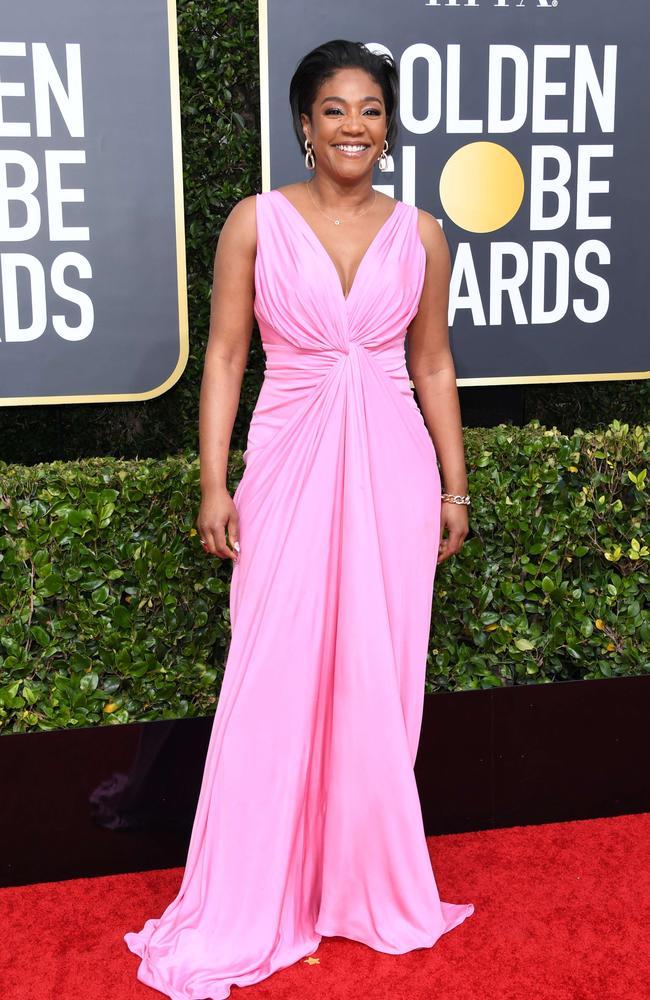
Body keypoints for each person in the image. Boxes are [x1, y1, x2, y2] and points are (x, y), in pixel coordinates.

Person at [124, 38, 474, 999]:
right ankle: (255, 891)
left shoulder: (424, 234)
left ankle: (357, 887)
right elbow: (228, 357)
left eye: (369, 109)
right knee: (270, 677)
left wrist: (454, 487)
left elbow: (433, 363)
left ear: (389, 127)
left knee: (377, 677)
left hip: (394, 475)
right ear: (304, 126)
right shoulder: (255, 222)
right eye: (333, 109)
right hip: (285, 469)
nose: (353, 125)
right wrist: (212, 481)